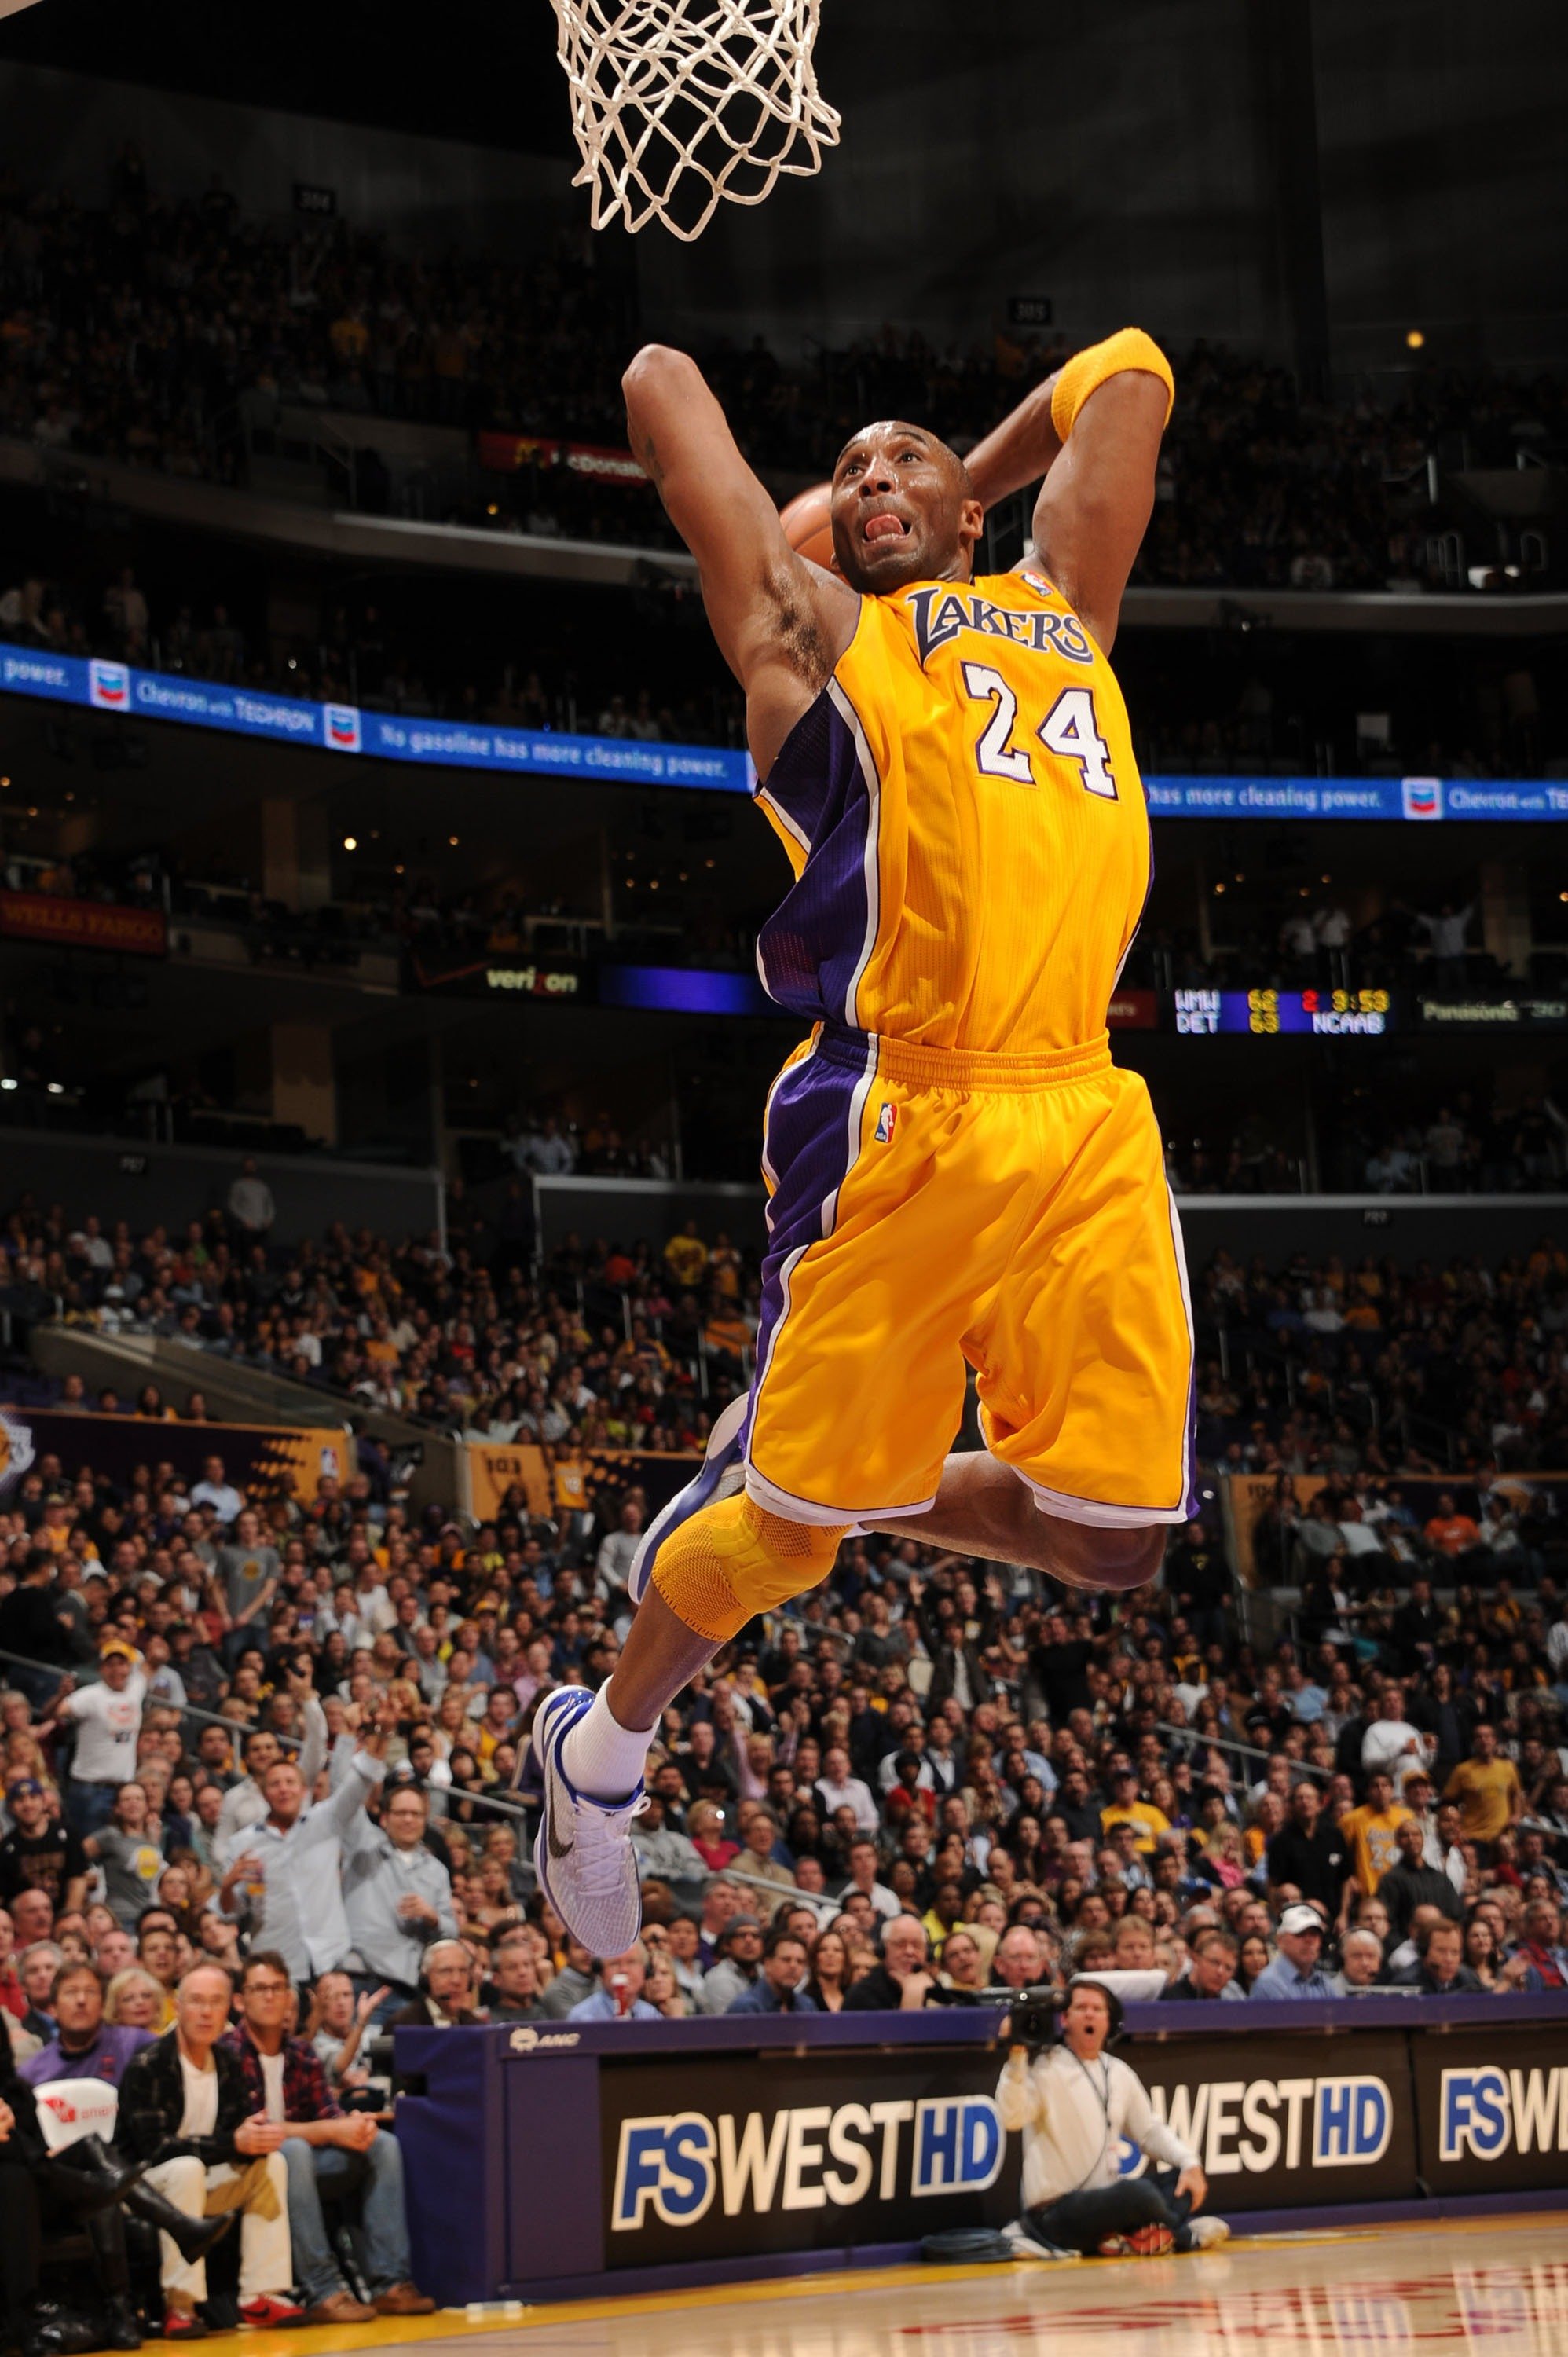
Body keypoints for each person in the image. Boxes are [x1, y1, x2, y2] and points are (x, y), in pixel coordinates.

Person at [532, 322, 1192, 1954]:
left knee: (1120, 1544)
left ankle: (835, 1463)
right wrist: (824, 529)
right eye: (848, 468)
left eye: (901, 460)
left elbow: (1129, 370)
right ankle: (598, 1753)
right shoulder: (803, 637)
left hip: (1079, 1109)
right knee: (787, 1542)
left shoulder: (1062, 610)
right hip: (896, 1105)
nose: (872, 477)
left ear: (969, 503)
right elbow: (656, 381)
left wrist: (948, 476)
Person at [222, 1950, 433, 2323]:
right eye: (259, 1989)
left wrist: (353, 2125)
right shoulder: (228, 2054)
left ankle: (391, 2283)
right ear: (240, 2000)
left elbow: (328, 2117)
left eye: (277, 1988)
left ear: (291, 1998)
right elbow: (251, 2131)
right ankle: (322, 2288)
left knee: (383, 2144)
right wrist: (329, 2130)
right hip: (247, 2167)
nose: (270, 1997)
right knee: (294, 2150)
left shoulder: (302, 2054)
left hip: (304, 2166)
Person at [118, 1962, 306, 2336]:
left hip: (200, 2180)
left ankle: (260, 2293)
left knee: (271, 2164)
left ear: (227, 2010)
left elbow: (233, 2136)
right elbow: (155, 2150)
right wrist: (233, 2142)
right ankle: (181, 2306)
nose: (206, 2012)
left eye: (216, 2002)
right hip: (143, 2189)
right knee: (186, 2168)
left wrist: (254, 2140)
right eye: (197, 2001)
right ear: (178, 2005)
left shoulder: (228, 2063)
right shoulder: (148, 2065)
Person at [998, 1979, 1225, 2257]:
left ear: (1109, 2020)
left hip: (1106, 2205)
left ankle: (1126, 2237)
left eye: (1097, 2009)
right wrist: (1017, 2056)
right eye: (1081, 2008)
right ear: (1065, 2019)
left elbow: (1149, 2131)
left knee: (1179, 2181)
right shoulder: (1044, 2065)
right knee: (1138, 2195)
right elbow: (1012, 2118)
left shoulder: (1118, 2071)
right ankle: (1182, 2236)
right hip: (1055, 2213)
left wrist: (1190, 2163)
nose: (1090, 2014)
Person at [218, 1705, 391, 1981]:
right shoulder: (244, 1843)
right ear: (265, 1792)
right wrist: (227, 1885)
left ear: (303, 1790)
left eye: (290, 1782)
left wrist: (383, 1734)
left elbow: (359, 1782)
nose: (283, 1789)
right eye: (275, 1784)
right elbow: (231, 1912)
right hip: (276, 1962)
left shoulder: (325, 1821)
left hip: (330, 1959)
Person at [341, 1776, 458, 2020]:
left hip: (407, 1989)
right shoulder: (362, 1850)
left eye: (416, 1814)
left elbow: (452, 1932)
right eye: (401, 1813)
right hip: (361, 1982)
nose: (408, 1819)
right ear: (385, 1819)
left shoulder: (436, 1871)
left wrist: (432, 1917)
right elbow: (346, 1803)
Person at [40, 1647, 146, 1836]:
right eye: (110, 1665)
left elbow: (146, 1662)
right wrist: (61, 1696)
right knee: (87, 1849)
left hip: (124, 1791)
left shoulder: (137, 1687)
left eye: (121, 1664)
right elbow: (50, 1714)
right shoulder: (90, 1696)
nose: (116, 1670)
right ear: (101, 1669)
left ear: (129, 1668)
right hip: (91, 1789)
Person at [0, 1780, 87, 1915]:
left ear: (43, 1802)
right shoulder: (6, 1848)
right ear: (11, 1808)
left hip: (64, 1913)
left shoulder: (67, 1834)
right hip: (26, 1923)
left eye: (33, 1798)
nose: (28, 1805)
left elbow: (78, 1881)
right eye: (20, 1800)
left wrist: (69, 1917)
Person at [1376, 1817, 1463, 1946]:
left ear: (1423, 1839)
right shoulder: (1390, 1880)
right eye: (1405, 1835)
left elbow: (1456, 1914)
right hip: (1405, 1949)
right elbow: (1388, 1922)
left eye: (1416, 1834)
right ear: (1397, 1842)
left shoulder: (1440, 1879)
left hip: (1442, 1946)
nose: (1411, 1839)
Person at [1445, 1725, 1523, 1854]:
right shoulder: (1463, 1770)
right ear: (1474, 1743)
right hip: (1473, 1836)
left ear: (1494, 1740)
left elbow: (1516, 1793)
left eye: (1487, 1736)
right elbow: (1448, 1802)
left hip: (1502, 1837)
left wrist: (1517, 1814)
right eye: (1479, 1737)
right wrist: (1457, 1830)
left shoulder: (1508, 1767)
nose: (1484, 1740)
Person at [387, 1941, 485, 2030]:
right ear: (426, 1978)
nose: (457, 1980)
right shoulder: (403, 2024)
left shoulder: (477, 2026)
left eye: (463, 1971)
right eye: (446, 1971)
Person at [726, 1923, 819, 2014]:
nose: (793, 1966)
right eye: (786, 1960)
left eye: (800, 1962)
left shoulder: (806, 2006)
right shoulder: (746, 2007)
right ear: (767, 1965)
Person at [1247, 1903, 1334, 2000]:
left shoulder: (1323, 1982)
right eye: (1300, 1934)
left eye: (1314, 1935)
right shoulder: (1268, 1983)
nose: (1309, 1941)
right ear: (1280, 1940)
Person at [566, 1945, 661, 2022]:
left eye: (632, 1962)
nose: (624, 1970)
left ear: (645, 1971)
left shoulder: (652, 2015)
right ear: (601, 1972)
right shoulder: (582, 2017)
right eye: (614, 1963)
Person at [1393, 1919, 1483, 1996]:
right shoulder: (1409, 1984)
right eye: (1441, 1951)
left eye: (1455, 1952)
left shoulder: (1468, 1978)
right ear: (1424, 1951)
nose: (1449, 1959)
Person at [1160, 1926, 1244, 2002]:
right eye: (1214, 1962)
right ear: (1196, 1959)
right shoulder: (1171, 2000)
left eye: (1228, 1968)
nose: (1220, 1972)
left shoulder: (1232, 2002)